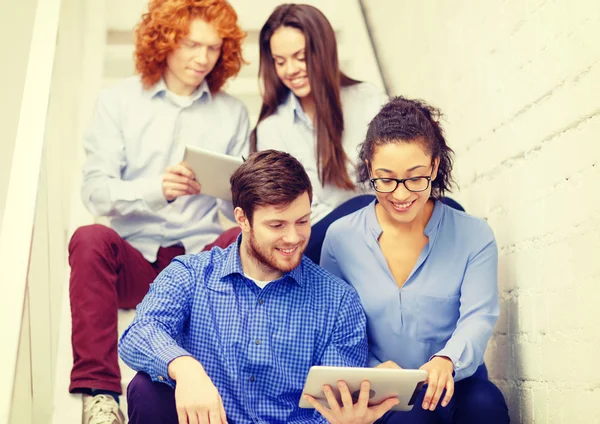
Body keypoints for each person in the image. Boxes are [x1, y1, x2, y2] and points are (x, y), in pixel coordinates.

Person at [118, 150, 399, 424]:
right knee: (146, 389)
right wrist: (186, 368)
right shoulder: (190, 275)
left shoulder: (339, 301)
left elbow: (326, 412)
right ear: (242, 219)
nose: (293, 237)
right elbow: (138, 333)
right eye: (276, 225)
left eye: (302, 221)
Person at [68, 0, 249, 422]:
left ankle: (231, 384)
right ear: (164, 40)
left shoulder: (232, 112)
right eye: (191, 44)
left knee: (245, 237)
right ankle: (100, 396)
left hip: (198, 264)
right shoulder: (117, 102)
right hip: (135, 260)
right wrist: (156, 190)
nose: (203, 58)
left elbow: (238, 204)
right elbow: (95, 191)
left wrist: (229, 184)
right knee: (89, 237)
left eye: (213, 48)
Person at [320, 97, 510, 424]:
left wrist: (446, 360)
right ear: (368, 166)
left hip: (455, 382)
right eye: (386, 179)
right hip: (382, 391)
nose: (401, 194)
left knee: (486, 403)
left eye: (415, 177)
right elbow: (331, 327)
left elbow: (478, 316)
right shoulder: (340, 238)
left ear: (434, 167)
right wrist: (367, 368)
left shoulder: (474, 235)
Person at [203, 3, 389, 262]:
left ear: (323, 51)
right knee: (362, 208)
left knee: (446, 210)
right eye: (280, 61)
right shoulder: (273, 128)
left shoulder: (368, 100)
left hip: (381, 224)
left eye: (300, 57)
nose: (290, 70)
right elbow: (291, 209)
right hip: (314, 236)